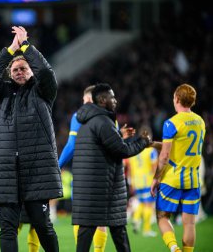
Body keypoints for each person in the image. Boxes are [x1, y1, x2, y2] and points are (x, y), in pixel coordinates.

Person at [0, 26, 63, 252]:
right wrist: (11, 50)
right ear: (9, 73)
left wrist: (26, 46)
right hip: (6, 172)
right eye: (15, 69)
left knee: (42, 226)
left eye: (24, 68)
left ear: (31, 71)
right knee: (7, 229)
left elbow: (46, 73)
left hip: (36, 172)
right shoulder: (2, 95)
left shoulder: (43, 92)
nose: (19, 72)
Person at [72, 83, 151, 252]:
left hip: (90, 190)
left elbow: (105, 149)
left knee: (86, 235)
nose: (115, 100)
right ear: (101, 100)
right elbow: (122, 150)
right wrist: (143, 142)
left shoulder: (88, 122)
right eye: (112, 97)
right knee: (118, 232)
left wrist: (118, 136)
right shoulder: (103, 122)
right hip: (104, 191)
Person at [58, 85, 135, 251]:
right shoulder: (110, 118)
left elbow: (72, 145)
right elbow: (109, 144)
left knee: (82, 219)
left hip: (85, 174)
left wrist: (57, 166)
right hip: (107, 176)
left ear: (93, 101)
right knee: (105, 220)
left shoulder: (78, 117)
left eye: (85, 100)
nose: (83, 104)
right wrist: (121, 135)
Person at [150, 83, 205, 252]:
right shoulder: (200, 121)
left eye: (174, 97)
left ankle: (174, 249)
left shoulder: (171, 123)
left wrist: (156, 178)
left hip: (173, 178)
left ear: (178, 99)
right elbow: (179, 146)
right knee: (189, 223)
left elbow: (165, 155)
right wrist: (152, 144)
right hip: (193, 179)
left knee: (162, 217)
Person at [127, 126, 158, 237]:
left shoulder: (134, 149)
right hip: (147, 181)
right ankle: (146, 229)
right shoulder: (151, 151)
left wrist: (131, 182)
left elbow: (129, 168)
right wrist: (157, 180)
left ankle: (135, 220)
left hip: (137, 181)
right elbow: (154, 167)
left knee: (140, 202)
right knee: (148, 205)